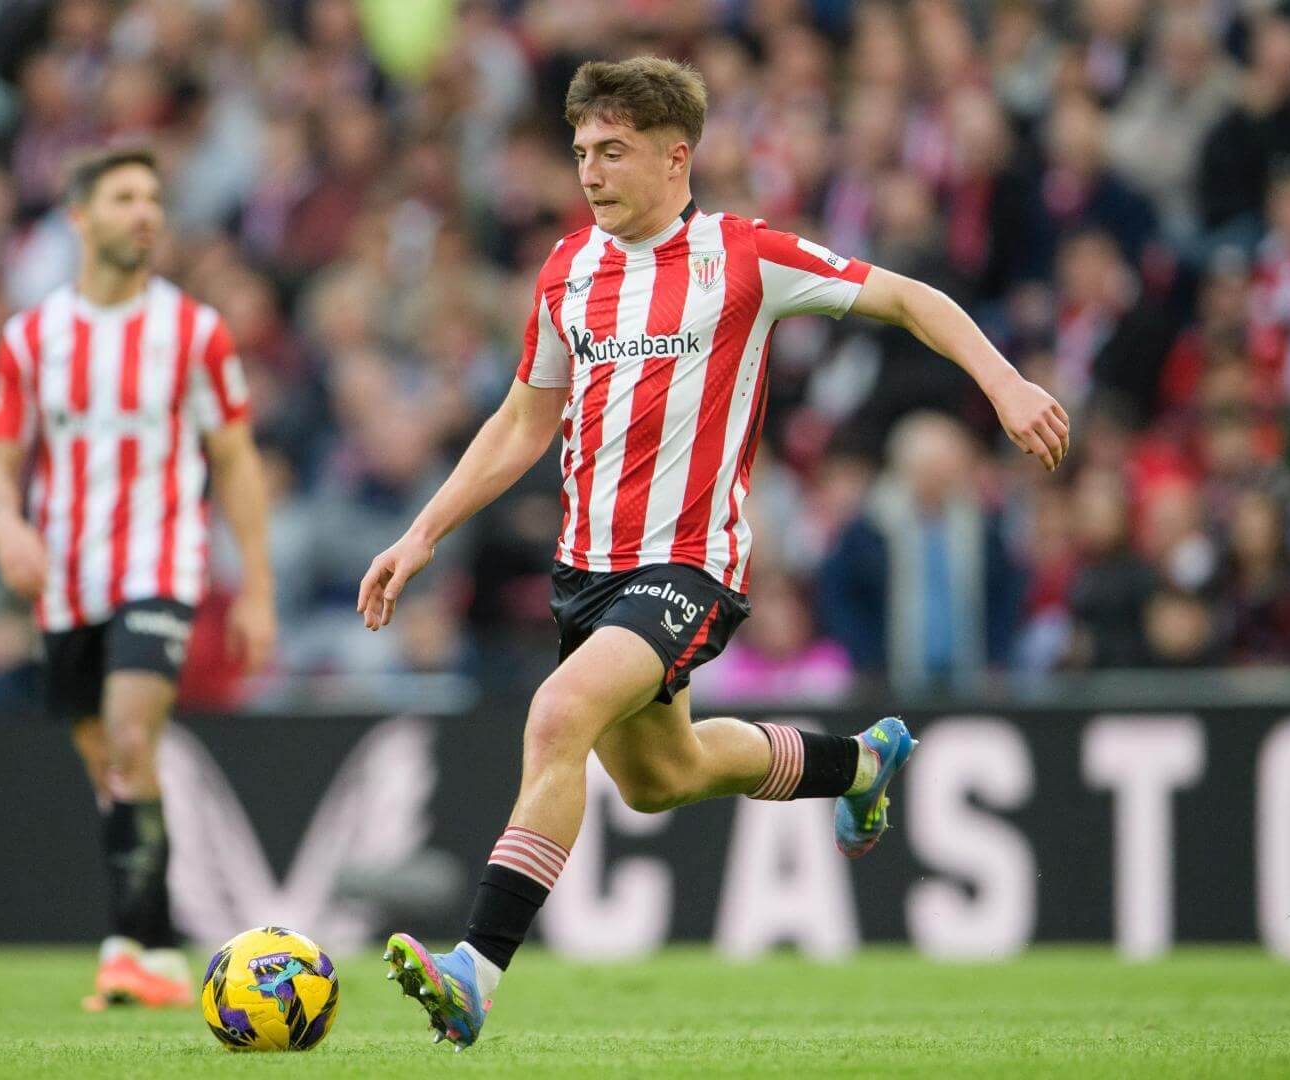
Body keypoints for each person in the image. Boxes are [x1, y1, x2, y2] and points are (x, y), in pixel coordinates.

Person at [355, 57, 1069, 1050]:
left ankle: (475, 969)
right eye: (580, 154)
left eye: (612, 152)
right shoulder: (570, 268)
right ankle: (856, 763)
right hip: (585, 573)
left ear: (675, 155)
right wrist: (422, 531)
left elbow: (909, 298)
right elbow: (524, 420)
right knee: (663, 776)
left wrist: (1005, 384)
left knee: (557, 714)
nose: (591, 173)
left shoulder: (744, 257)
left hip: (690, 567)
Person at [0, 146, 277, 1009]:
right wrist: (5, 526)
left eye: (153, 197)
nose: (145, 212)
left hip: (160, 564)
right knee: (106, 758)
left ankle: (125, 949)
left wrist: (254, 584)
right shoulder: (30, 340)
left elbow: (236, 458)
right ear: (80, 217)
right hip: (66, 578)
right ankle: (158, 953)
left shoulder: (195, 331)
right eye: (124, 197)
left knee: (133, 739)